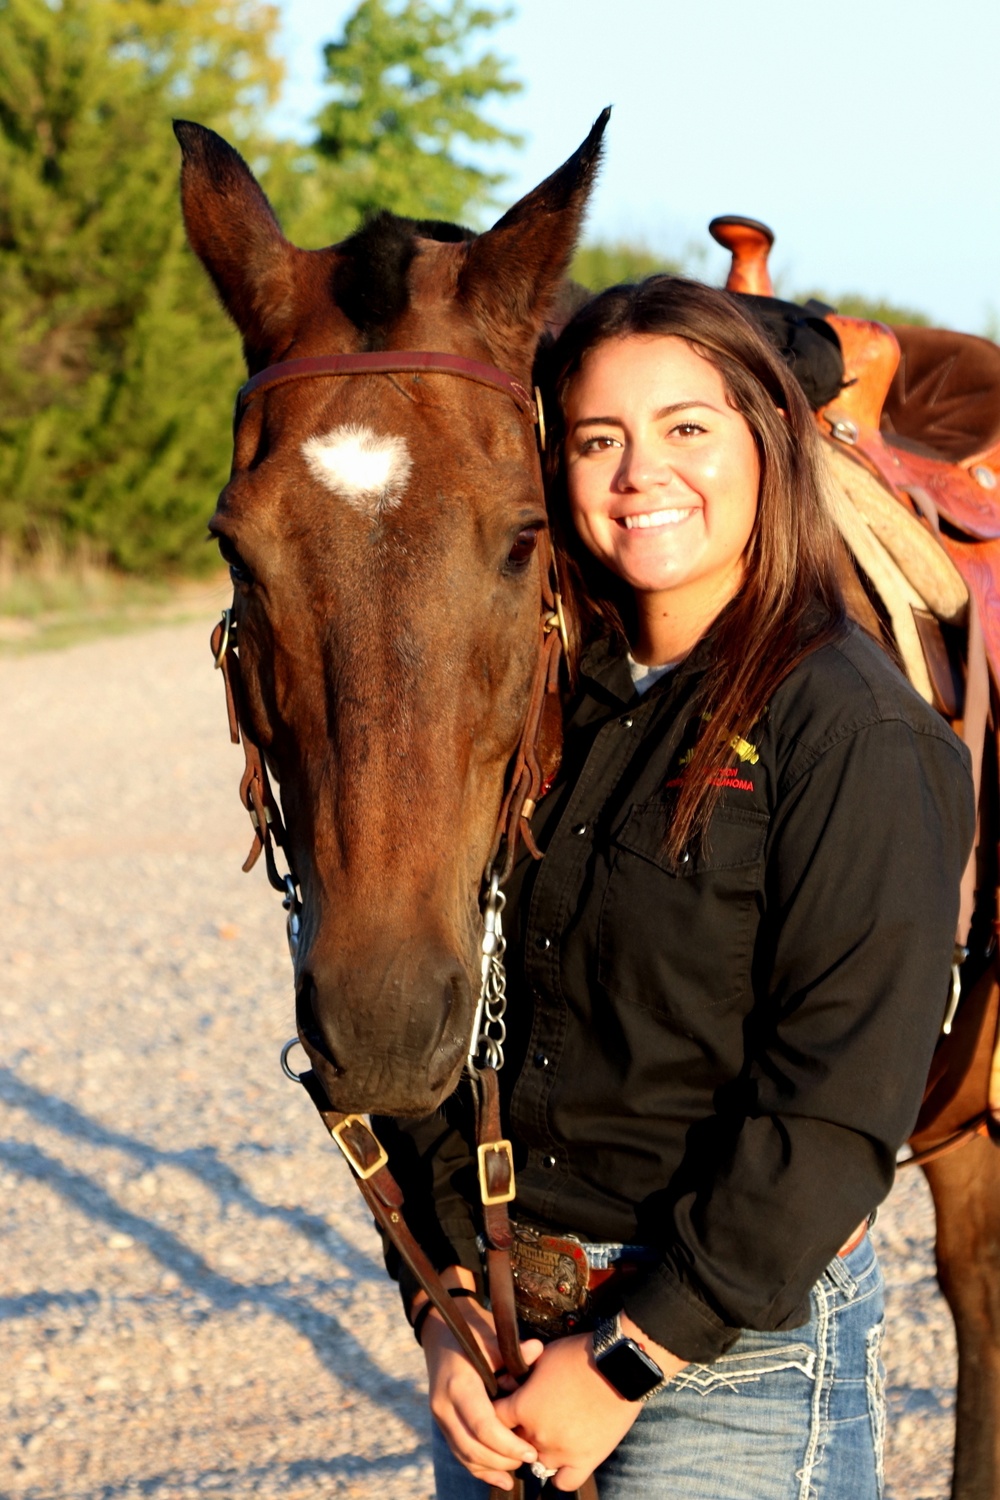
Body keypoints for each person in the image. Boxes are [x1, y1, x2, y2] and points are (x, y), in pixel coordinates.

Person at [379, 276, 975, 1500]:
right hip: (501, 1339)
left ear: (767, 443)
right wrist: (441, 1306)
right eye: (601, 439)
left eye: (687, 429)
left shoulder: (851, 730)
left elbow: (833, 1115)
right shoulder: (528, 715)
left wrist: (618, 1367)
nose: (641, 473)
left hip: (730, 1378)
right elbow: (450, 1032)